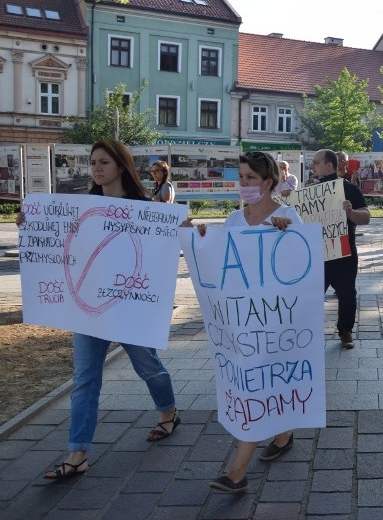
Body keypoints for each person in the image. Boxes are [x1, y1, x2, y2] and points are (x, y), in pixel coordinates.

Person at [16, 140, 180, 481]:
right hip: (89, 311)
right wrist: (28, 223)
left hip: (129, 309)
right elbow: (61, 243)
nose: (96, 168)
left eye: (103, 162)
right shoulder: (81, 207)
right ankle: (77, 454)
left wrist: (190, 232)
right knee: (85, 380)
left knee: (148, 367)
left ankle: (168, 412)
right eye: (92, 163)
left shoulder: (143, 207)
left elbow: (163, 248)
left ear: (121, 166)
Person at [185, 151, 301, 494]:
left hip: (277, 320)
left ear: (268, 183)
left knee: (258, 386)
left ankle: (237, 471)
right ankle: (283, 432)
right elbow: (221, 264)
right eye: (241, 178)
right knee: (258, 384)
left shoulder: (288, 216)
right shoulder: (235, 221)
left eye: (251, 178)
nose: (244, 184)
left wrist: (288, 233)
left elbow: (303, 265)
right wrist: (202, 238)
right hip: (243, 323)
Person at [312, 150, 371, 344]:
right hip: (317, 253)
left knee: (346, 293)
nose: (313, 166)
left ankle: (345, 330)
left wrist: (350, 212)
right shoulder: (310, 190)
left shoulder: (348, 189)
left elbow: (366, 217)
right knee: (311, 293)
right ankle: (307, 330)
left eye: (317, 162)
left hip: (343, 251)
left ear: (329, 165)